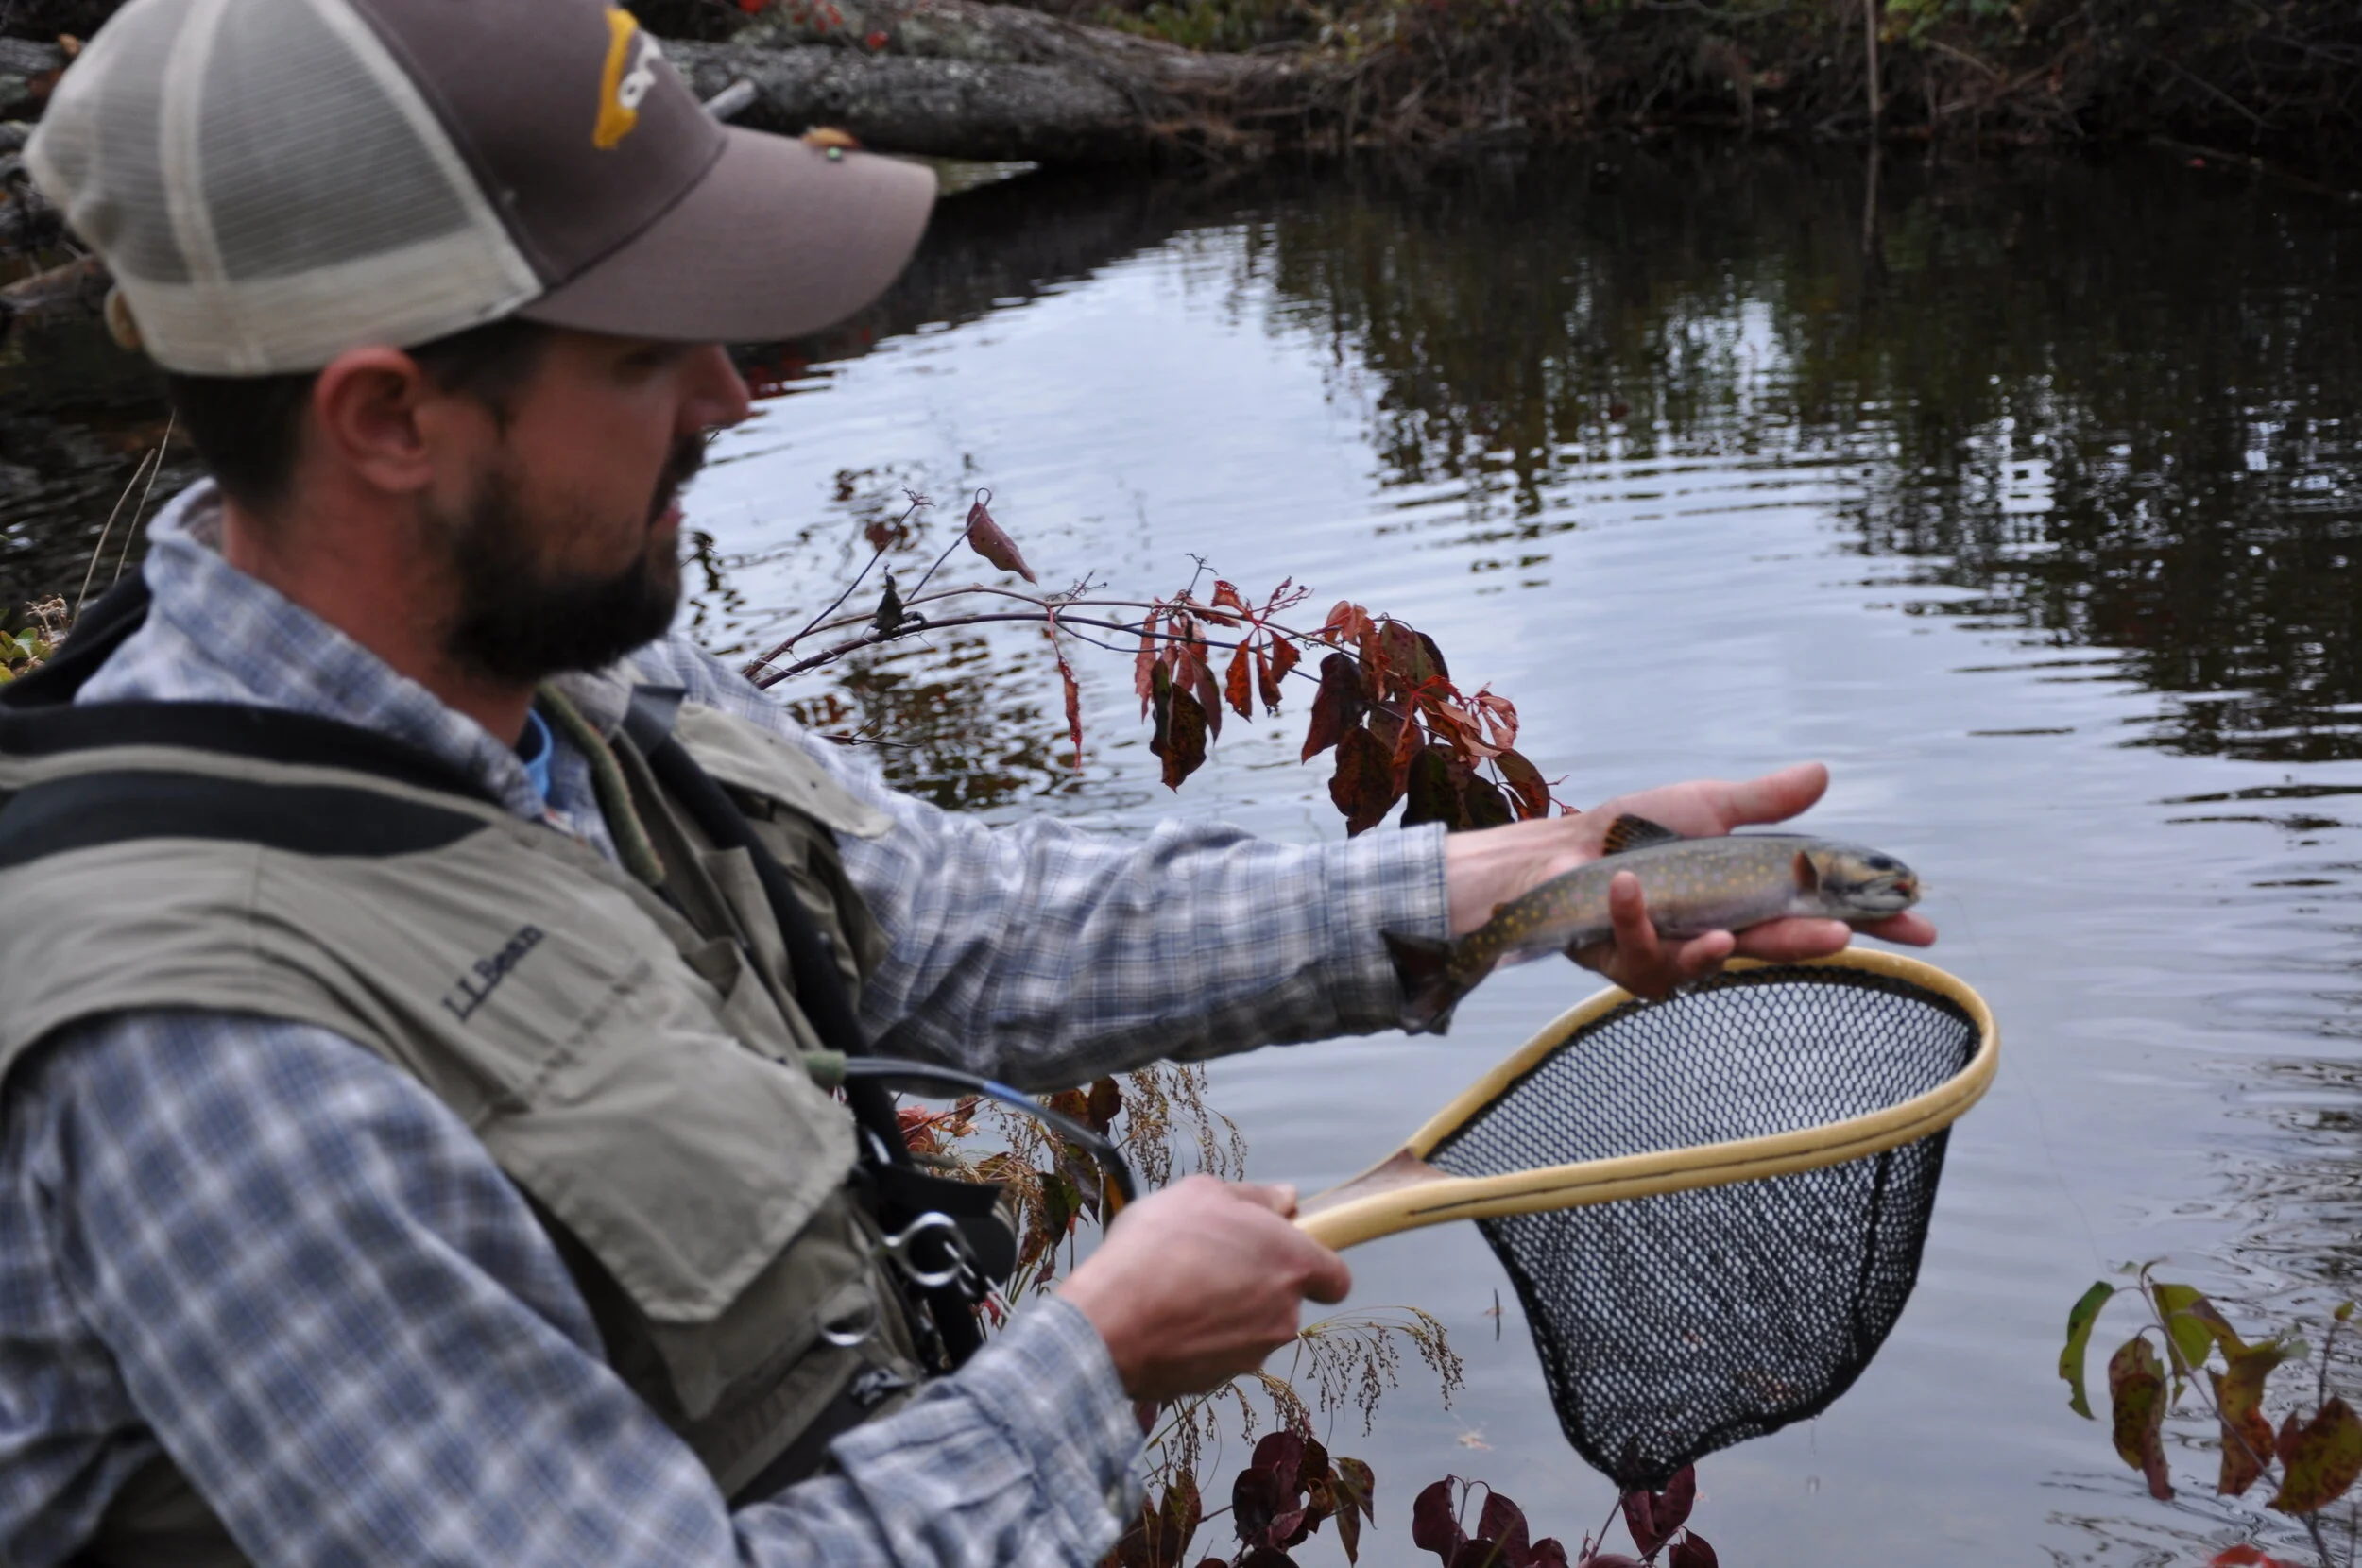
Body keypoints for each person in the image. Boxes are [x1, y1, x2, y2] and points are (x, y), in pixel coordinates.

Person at [0, 1, 1937, 1563]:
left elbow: (947, 926)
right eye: (646, 350)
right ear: (388, 417)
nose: (731, 396)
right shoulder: (211, 1047)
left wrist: (1530, 880)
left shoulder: (555, 657)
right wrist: (1093, 1368)